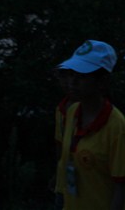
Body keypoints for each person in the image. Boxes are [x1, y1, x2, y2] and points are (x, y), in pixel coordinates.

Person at [57, 40, 125, 210]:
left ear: (102, 82)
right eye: (71, 74)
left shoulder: (115, 125)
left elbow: (120, 185)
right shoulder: (72, 112)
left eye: (81, 76)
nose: (72, 82)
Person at [53, 67, 75, 210]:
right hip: (64, 175)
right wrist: (57, 172)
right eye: (62, 78)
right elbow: (59, 143)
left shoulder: (86, 109)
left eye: (69, 77)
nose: (66, 83)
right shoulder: (60, 109)